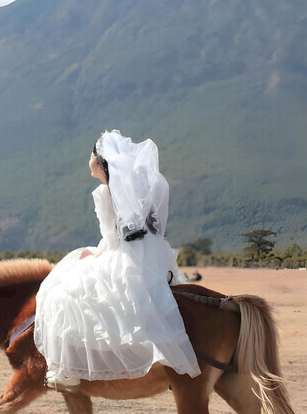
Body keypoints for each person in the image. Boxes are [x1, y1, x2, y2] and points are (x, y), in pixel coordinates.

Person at [34, 130, 200, 389]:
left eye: (91, 155)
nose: (88, 159)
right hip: (149, 252)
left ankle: (70, 367)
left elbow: (115, 238)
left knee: (62, 293)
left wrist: (97, 254)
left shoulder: (107, 193)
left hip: (125, 254)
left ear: (100, 163)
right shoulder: (127, 190)